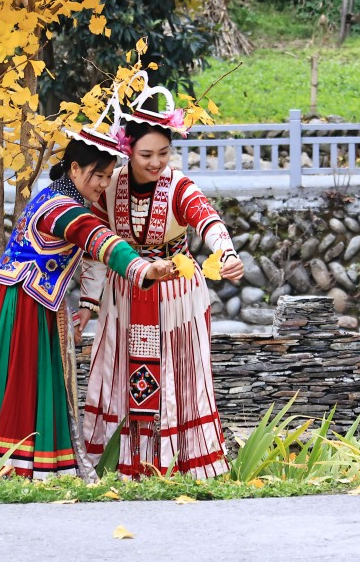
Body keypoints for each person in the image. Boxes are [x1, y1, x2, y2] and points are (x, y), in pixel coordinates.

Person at [0, 127, 175, 480]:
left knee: (23, 382)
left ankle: (2, 467)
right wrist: (144, 268)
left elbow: (90, 247)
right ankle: (18, 471)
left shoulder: (52, 196)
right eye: (98, 175)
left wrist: (88, 303)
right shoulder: (63, 210)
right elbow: (99, 240)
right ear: (74, 169)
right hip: (24, 304)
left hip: (20, 298)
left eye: (107, 175)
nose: (104, 183)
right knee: (22, 384)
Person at [79, 100, 244, 479]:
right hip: (124, 294)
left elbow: (207, 219)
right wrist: (88, 304)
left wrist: (227, 252)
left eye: (164, 153)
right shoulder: (111, 184)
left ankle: (182, 462)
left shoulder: (179, 186)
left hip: (174, 296)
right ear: (127, 150)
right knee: (117, 372)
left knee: (177, 374)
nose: (156, 163)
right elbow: (96, 249)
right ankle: (119, 463)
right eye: (146, 154)